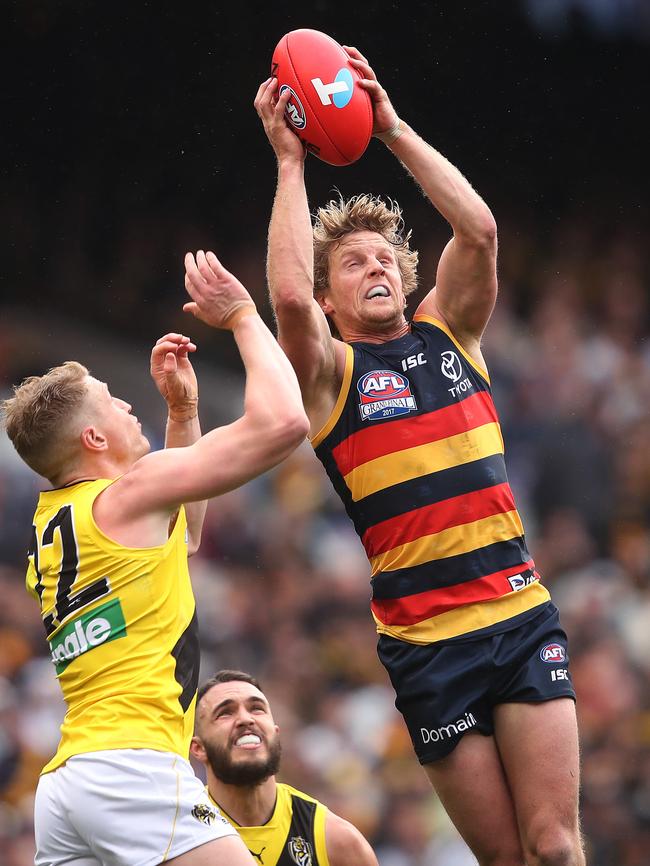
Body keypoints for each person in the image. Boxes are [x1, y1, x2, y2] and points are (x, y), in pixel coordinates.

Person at [254, 48, 585, 866]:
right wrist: (290, 164)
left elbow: (477, 229)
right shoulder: (332, 372)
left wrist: (391, 127)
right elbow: (289, 299)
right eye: (351, 263)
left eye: (382, 259)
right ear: (335, 301)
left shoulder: (451, 332)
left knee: (555, 846)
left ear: (406, 280)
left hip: (517, 614)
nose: (373, 266)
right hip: (426, 644)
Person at [1, 251, 309, 866]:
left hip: (69, 785)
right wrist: (245, 316)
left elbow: (182, 535)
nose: (128, 404)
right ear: (93, 439)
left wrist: (183, 416)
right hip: (131, 764)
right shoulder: (130, 493)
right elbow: (284, 423)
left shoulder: (54, 522)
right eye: (112, 400)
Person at [190, 670, 378, 866]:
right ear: (199, 748)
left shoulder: (337, 842)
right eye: (225, 713)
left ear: (275, 733)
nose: (246, 719)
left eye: (256, 708)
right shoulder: (177, 837)